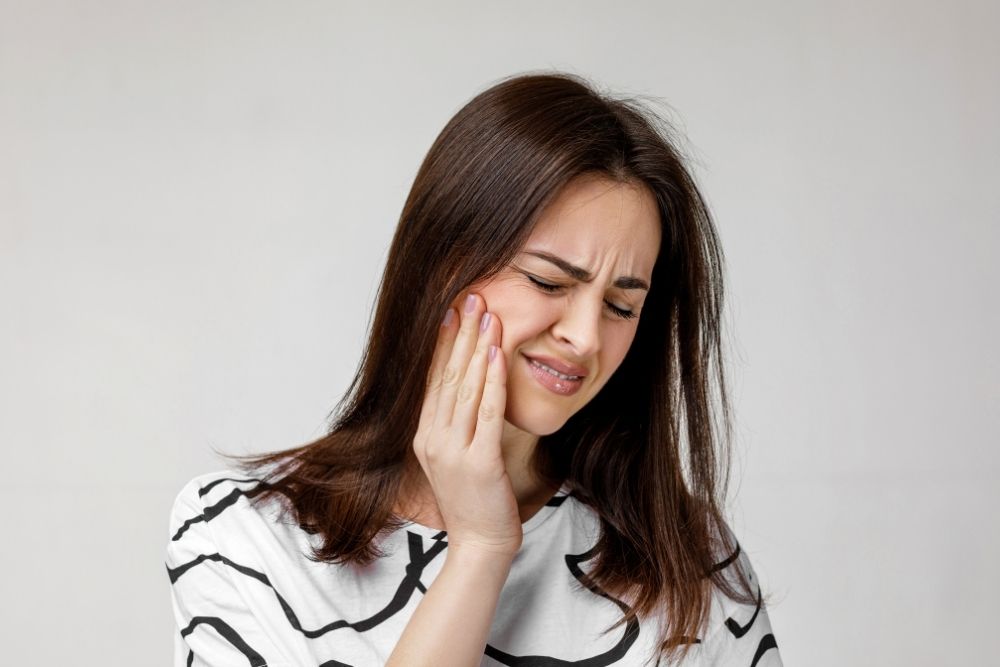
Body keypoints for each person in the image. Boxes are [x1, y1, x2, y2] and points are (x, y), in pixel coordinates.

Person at [165, 70, 783, 666]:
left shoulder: (690, 559)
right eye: (547, 281)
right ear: (440, 265)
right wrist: (481, 550)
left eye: (622, 305)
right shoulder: (245, 539)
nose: (585, 336)